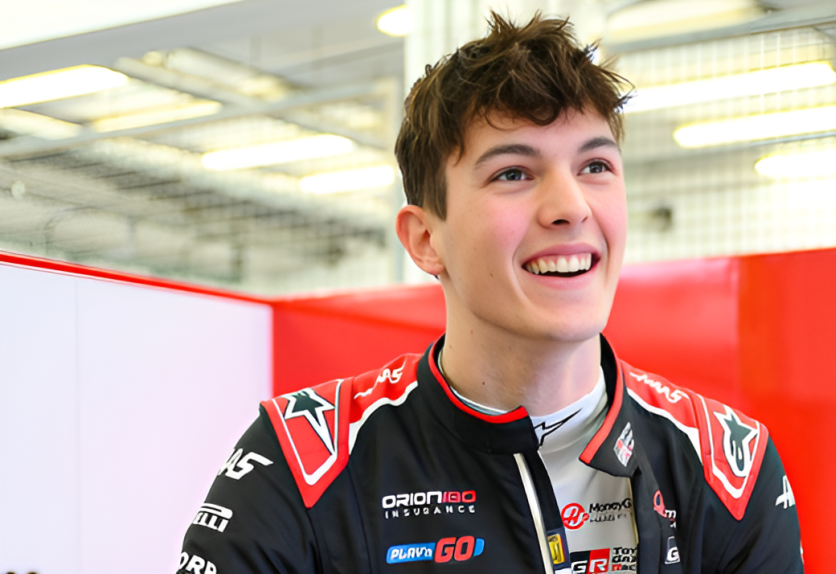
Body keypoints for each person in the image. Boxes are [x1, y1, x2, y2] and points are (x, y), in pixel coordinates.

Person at [177, 12, 803, 574]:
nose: (570, 207)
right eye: (513, 172)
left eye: (595, 166)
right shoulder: (302, 462)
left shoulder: (730, 466)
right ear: (425, 239)